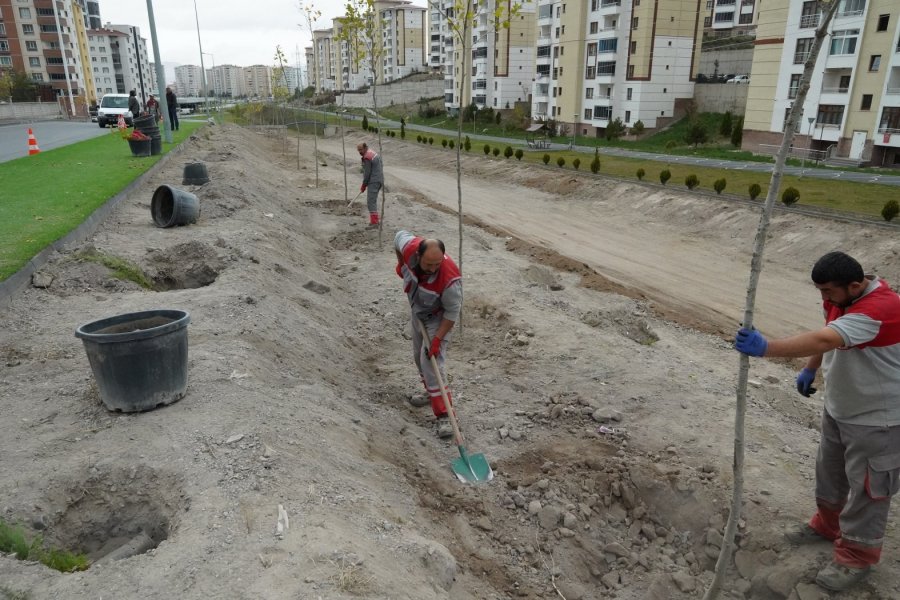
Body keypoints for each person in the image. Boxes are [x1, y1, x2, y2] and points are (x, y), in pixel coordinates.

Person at [734, 251, 900, 593]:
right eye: (820, 293)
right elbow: (829, 332)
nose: (824, 299)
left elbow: (827, 338)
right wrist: (810, 368)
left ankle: (857, 555)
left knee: (869, 488)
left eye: (828, 293)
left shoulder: (883, 310)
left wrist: (767, 347)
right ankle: (827, 526)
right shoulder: (845, 298)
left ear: (854, 285)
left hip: (878, 419)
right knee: (830, 473)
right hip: (841, 408)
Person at [394, 230, 463, 439]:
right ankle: (430, 393)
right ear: (418, 256)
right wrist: (401, 265)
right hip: (419, 310)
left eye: (437, 264)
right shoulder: (409, 248)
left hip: (438, 317)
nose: (433, 269)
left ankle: (445, 415)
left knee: (431, 361)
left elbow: (452, 313)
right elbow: (398, 237)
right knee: (418, 356)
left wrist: (437, 340)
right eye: (428, 265)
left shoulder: (450, 279)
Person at [357, 142, 383, 227]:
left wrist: (364, 185)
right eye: (358, 150)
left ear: (365, 148)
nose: (359, 151)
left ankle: (374, 223)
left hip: (374, 181)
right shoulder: (372, 153)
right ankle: (375, 221)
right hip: (379, 179)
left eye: (360, 149)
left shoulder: (367, 157)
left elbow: (367, 173)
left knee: (370, 202)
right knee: (373, 201)